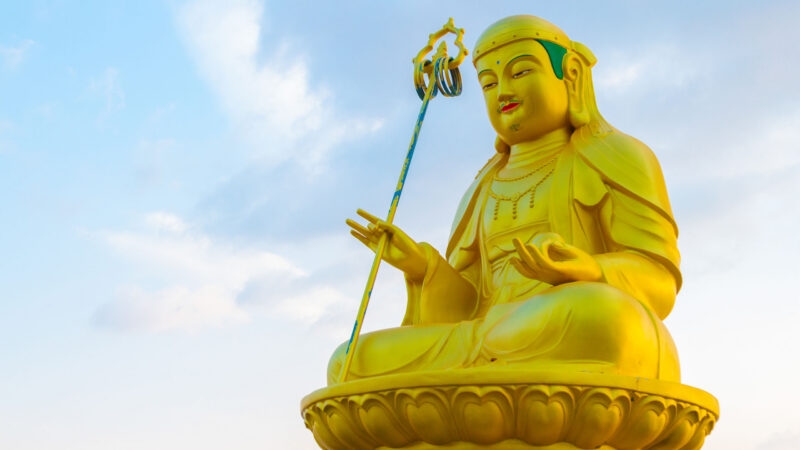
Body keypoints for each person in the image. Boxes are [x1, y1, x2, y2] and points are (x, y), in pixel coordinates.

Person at [328, 15, 682, 385]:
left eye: (521, 72)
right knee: (347, 363)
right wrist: (423, 268)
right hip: (482, 338)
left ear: (571, 75)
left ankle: (479, 381)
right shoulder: (481, 187)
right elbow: (466, 308)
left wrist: (590, 271)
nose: (503, 92)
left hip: (566, 323)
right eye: (489, 83)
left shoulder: (616, 155)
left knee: (609, 318)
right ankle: (481, 376)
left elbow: (659, 282)